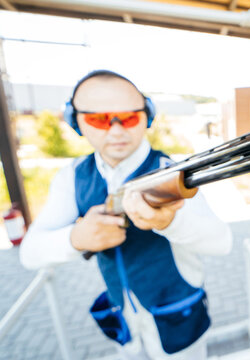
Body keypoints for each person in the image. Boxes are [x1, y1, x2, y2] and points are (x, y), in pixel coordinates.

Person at [20, 70, 232, 359]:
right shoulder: (71, 177)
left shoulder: (172, 172)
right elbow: (30, 253)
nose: (117, 130)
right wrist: (77, 238)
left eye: (129, 117)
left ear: (147, 116)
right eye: (99, 119)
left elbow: (222, 242)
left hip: (178, 318)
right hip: (125, 323)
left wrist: (170, 222)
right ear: (76, 121)